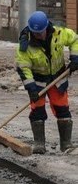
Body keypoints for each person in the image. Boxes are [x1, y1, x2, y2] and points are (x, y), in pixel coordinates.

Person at [15, 10, 77, 153]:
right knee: (37, 111)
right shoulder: (25, 45)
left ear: (46, 28)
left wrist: (75, 58)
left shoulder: (59, 33)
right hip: (37, 82)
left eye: (40, 32)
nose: (37, 35)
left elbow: (75, 40)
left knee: (62, 109)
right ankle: (39, 144)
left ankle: (66, 144)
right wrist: (31, 89)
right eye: (34, 32)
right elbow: (23, 68)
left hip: (58, 78)